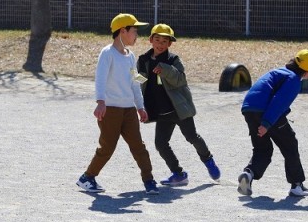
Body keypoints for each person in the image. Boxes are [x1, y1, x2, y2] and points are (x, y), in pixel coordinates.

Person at [77, 13, 159, 195]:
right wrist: (100, 102)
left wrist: (140, 106)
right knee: (107, 147)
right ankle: (87, 177)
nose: (136, 35)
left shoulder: (130, 56)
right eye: (134, 31)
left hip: (129, 110)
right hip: (111, 110)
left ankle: (149, 180)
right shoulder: (107, 53)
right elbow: (100, 78)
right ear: (123, 31)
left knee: (139, 147)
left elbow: (135, 82)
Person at [137, 24, 220, 186]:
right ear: (150, 40)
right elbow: (141, 80)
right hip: (161, 111)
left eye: (164, 41)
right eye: (157, 40)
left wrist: (166, 70)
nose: (160, 44)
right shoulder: (143, 59)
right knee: (160, 144)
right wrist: (131, 75)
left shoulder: (173, 60)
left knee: (192, 137)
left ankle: (208, 160)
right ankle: (178, 174)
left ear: (170, 44)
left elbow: (180, 80)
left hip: (178, 108)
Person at [237, 49, 308, 197]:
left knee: (262, 148)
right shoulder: (293, 80)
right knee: (289, 143)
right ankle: (297, 185)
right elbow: (279, 102)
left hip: (249, 109)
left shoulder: (279, 71)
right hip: (267, 111)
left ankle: (249, 174)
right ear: (307, 72)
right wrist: (266, 124)